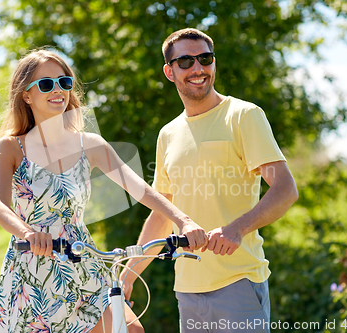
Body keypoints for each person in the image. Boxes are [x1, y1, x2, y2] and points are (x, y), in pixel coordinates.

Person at [0, 49, 208, 333]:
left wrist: (184, 220)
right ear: (26, 95)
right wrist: (28, 233)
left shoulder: (90, 145)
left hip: (84, 264)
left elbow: (139, 188)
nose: (58, 90)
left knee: (130, 329)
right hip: (33, 267)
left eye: (64, 82)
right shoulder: (10, 147)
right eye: (46, 84)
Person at [120, 28, 299, 332]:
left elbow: (285, 189)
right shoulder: (168, 134)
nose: (198, 68)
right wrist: (129, 274)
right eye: (185, 62)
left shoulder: (243, 115)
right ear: (169, 71)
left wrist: (237, 228)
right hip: (187, 290)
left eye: (205, 58)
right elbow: (163, 212)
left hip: (239, 283)